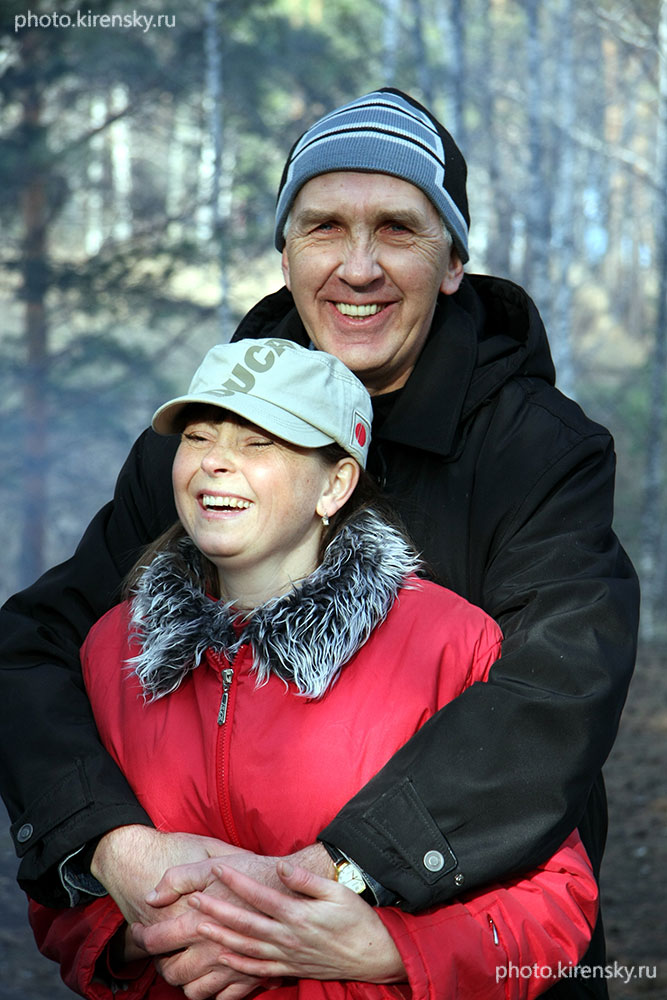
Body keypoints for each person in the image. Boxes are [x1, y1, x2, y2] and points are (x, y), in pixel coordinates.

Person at [1, 89, 638, 998]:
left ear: (453, 262)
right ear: (287, 253)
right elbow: (35, 649)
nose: (358, 266)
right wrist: (113, 844)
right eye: (324, 227)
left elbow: (557, 690)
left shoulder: (536, 449)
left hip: (466, 932)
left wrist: (346, 877)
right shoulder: (201, 450)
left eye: (398, 230)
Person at [29, 338, 598, 999]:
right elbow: (60, 896)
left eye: (258, 442)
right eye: (198, 437)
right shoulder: (112, 648)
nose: (214, 462)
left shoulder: (447, 642)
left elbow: (557, 900)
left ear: (335, 484)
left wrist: (389, 949)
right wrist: (154, 930)